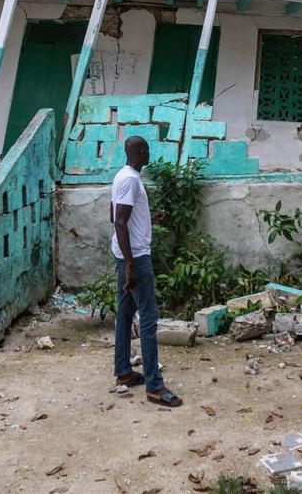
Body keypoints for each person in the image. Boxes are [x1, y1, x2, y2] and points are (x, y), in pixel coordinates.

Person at [111, 135, 183, 407]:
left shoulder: (121, 177)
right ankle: (155, 386)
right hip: (136, 258)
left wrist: (148, 221)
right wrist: (130, 264)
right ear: (139, 151)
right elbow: (119, 222)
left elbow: (117, 216)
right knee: (149, 318)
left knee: (126, 314)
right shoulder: (131, 180)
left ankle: (124, 372)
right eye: (147, 150)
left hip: (124, 254)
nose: (149, 154)